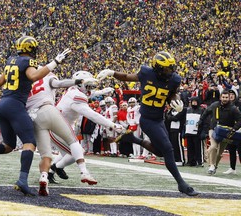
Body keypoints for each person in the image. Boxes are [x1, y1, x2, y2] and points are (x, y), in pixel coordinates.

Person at [0, 35, 71, 196]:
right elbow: (34, 76)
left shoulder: (11, 61)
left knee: (9, 145)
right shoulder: (28, 62)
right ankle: (22, 180)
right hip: (15, 105)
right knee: (30, 142)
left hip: (2, 104)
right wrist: (54, 62)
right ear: (32, 49)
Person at [97, 51, 199, 196]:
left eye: (171, 68)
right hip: (147, 119)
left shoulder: (174, 79)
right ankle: (181, 184)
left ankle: (133, 139)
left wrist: (176, 101)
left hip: (159, 118)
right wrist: (112, 72)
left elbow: (172, 94)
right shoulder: (146, 73)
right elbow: (127, 77)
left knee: (160, 152)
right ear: (157, 67)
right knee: (169, 149)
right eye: (166, 68)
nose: (169, 71)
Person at [26, 69, 98, 196]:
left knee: (46, 154)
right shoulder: (49, 77)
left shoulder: (29, 85)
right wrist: (76, 81)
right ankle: (84, 172)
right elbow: (59, 84)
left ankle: (44, 177)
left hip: (34, 117)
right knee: (72, 141)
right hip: (48, 109)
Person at [48, 71, 124, 183]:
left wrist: (102, 91)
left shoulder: (73, 90)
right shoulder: (76, 96)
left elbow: (89, 94)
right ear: (79, 84)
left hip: (60, 126)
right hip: (56, 128)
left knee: (69, 153)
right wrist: (112, 124)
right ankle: (57, 167)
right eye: (88, 86)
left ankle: (50, 171)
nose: (90, 89)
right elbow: (92, 115)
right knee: (76, 153)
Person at [198, 90, 241, 175]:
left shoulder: (233, 109)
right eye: (223, 97)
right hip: (213, 129)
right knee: (213, 146)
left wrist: (234, 129)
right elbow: (206, 112)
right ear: (220, 97)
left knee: (219, 153)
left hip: (226, 133)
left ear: (229, 98)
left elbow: (240, 120)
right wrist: (200, 121)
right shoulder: (214, 105)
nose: (224, 99)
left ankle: (214, 166)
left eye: (226, 97)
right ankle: (211, 166)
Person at [223, 90, 241, 174]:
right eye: (229, 95)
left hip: (239, 129)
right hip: (230, 129)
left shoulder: (239, 104)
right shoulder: (227, 106)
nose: (231, 96)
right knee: (231, 149)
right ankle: (232, 167)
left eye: (232, 94)